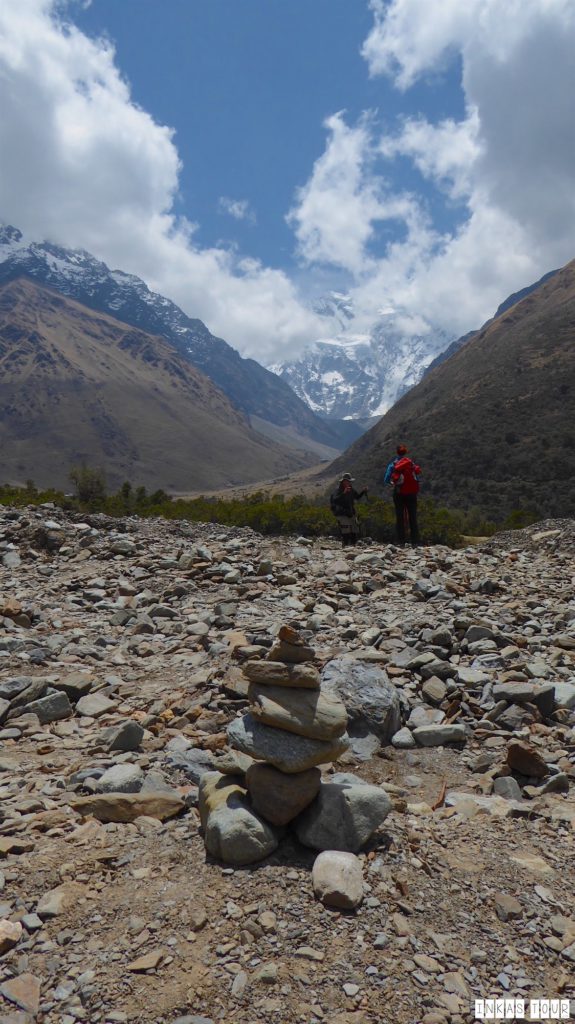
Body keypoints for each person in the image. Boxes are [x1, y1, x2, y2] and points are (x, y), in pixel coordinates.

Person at [389, 444, 421, 547]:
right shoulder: (411, 463)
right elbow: (417, 473)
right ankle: (415, 541)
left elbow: (386, 479)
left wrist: (393, 483)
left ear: (397, 452)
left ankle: (400, 542)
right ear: (406, 452)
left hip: (399, 493)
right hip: (412, 493)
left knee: (400, 517)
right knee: (413, 517)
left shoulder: (393, 464)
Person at [331, 472, 368, 547]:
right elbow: (335, 500)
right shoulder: (338, 490)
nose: (348, 483)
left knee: (354, 529)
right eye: (347, 481)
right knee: (346, 530)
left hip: (350, 512)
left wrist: (363, 492)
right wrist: (343, 493)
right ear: (343, 482)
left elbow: (357, 497)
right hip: (341, 513)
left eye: (349, 481)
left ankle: (353, 545)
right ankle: (346, 545)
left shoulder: (351, 490)